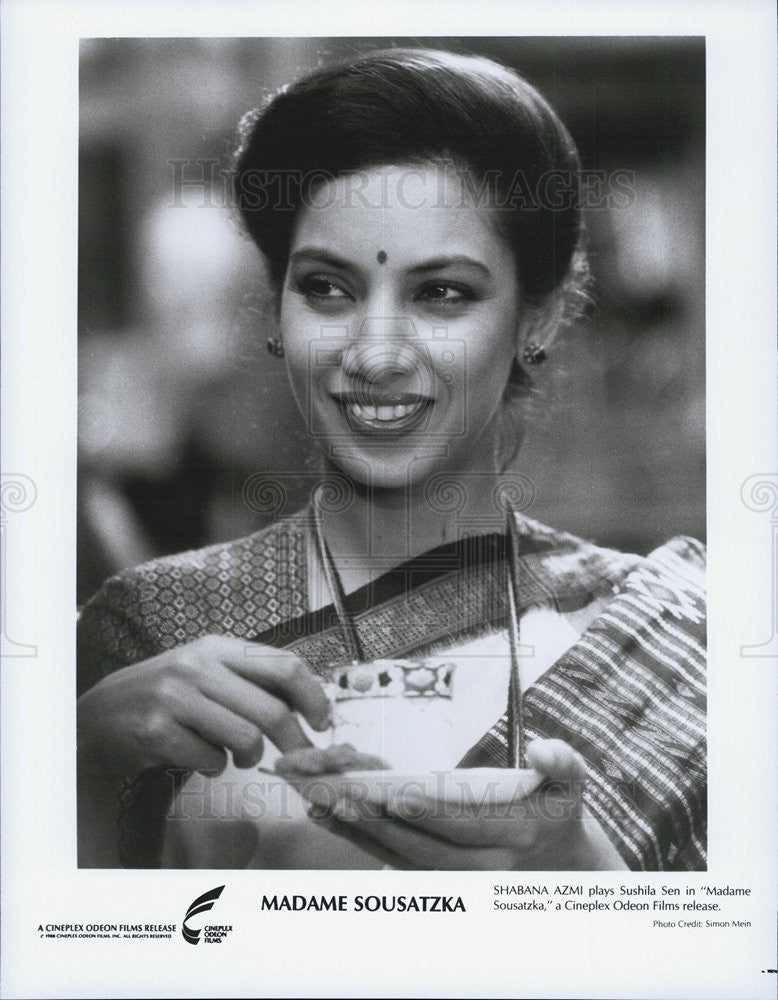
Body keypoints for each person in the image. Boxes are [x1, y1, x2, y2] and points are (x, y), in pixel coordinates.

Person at [76, 48, 706, 871]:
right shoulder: (151, 634)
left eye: (442, 293)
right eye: (328, 290)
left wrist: (578, 874)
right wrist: (79, 764)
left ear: (537, 322)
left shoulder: (677, 642)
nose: (375, 353)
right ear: (276, 308)